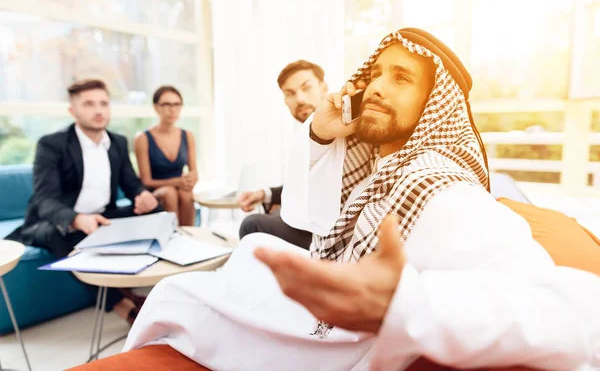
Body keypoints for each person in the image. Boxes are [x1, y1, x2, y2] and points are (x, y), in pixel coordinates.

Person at [123, 29, 600, 370]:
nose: (375, 86)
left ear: (436, 107)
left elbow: (579, 315)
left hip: (346, 340)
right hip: (329, 319)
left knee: (181, 292)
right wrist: (319, 133)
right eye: (376, 74)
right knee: (211, 273)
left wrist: (404, 303)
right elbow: (308, 215)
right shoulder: (378, 168)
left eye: (401, 78)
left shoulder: (437, 187)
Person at [5, 79, 160, 324]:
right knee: (63, 233)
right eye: (88, 104)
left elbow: (131, 184)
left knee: (157, 212)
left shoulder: (117, 142)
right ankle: (122, 305)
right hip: (54, 221)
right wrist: (76, 219)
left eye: (103, 103)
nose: (98, 110)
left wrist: (143, 197)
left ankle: (152, 288)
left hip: (102, 216)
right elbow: (44, 200)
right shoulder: (52, 144)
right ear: (72, 111)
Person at [237, 60, 328, 249]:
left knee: (252, 224)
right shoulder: (304, 134)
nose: (300, 99)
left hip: (329, 235)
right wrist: (265, 194)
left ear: (324, 88)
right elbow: (308, 183)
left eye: (307, 88)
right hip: (309, 223)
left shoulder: (336, 131)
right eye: (290, 94)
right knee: (271, 213)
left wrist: (287, 206)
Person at [134, 86, 198, 226]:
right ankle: (171, 236)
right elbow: (146, 181)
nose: (172, 109)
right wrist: (177, 182)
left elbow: (194, 173)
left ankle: (188, 237)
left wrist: (190, 180)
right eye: (166, 104)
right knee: (170, 193)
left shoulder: (187, 136)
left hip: (180, 190)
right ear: (156, 107)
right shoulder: (143, 139)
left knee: (186, 194)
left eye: (176, 104)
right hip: (154, 191)